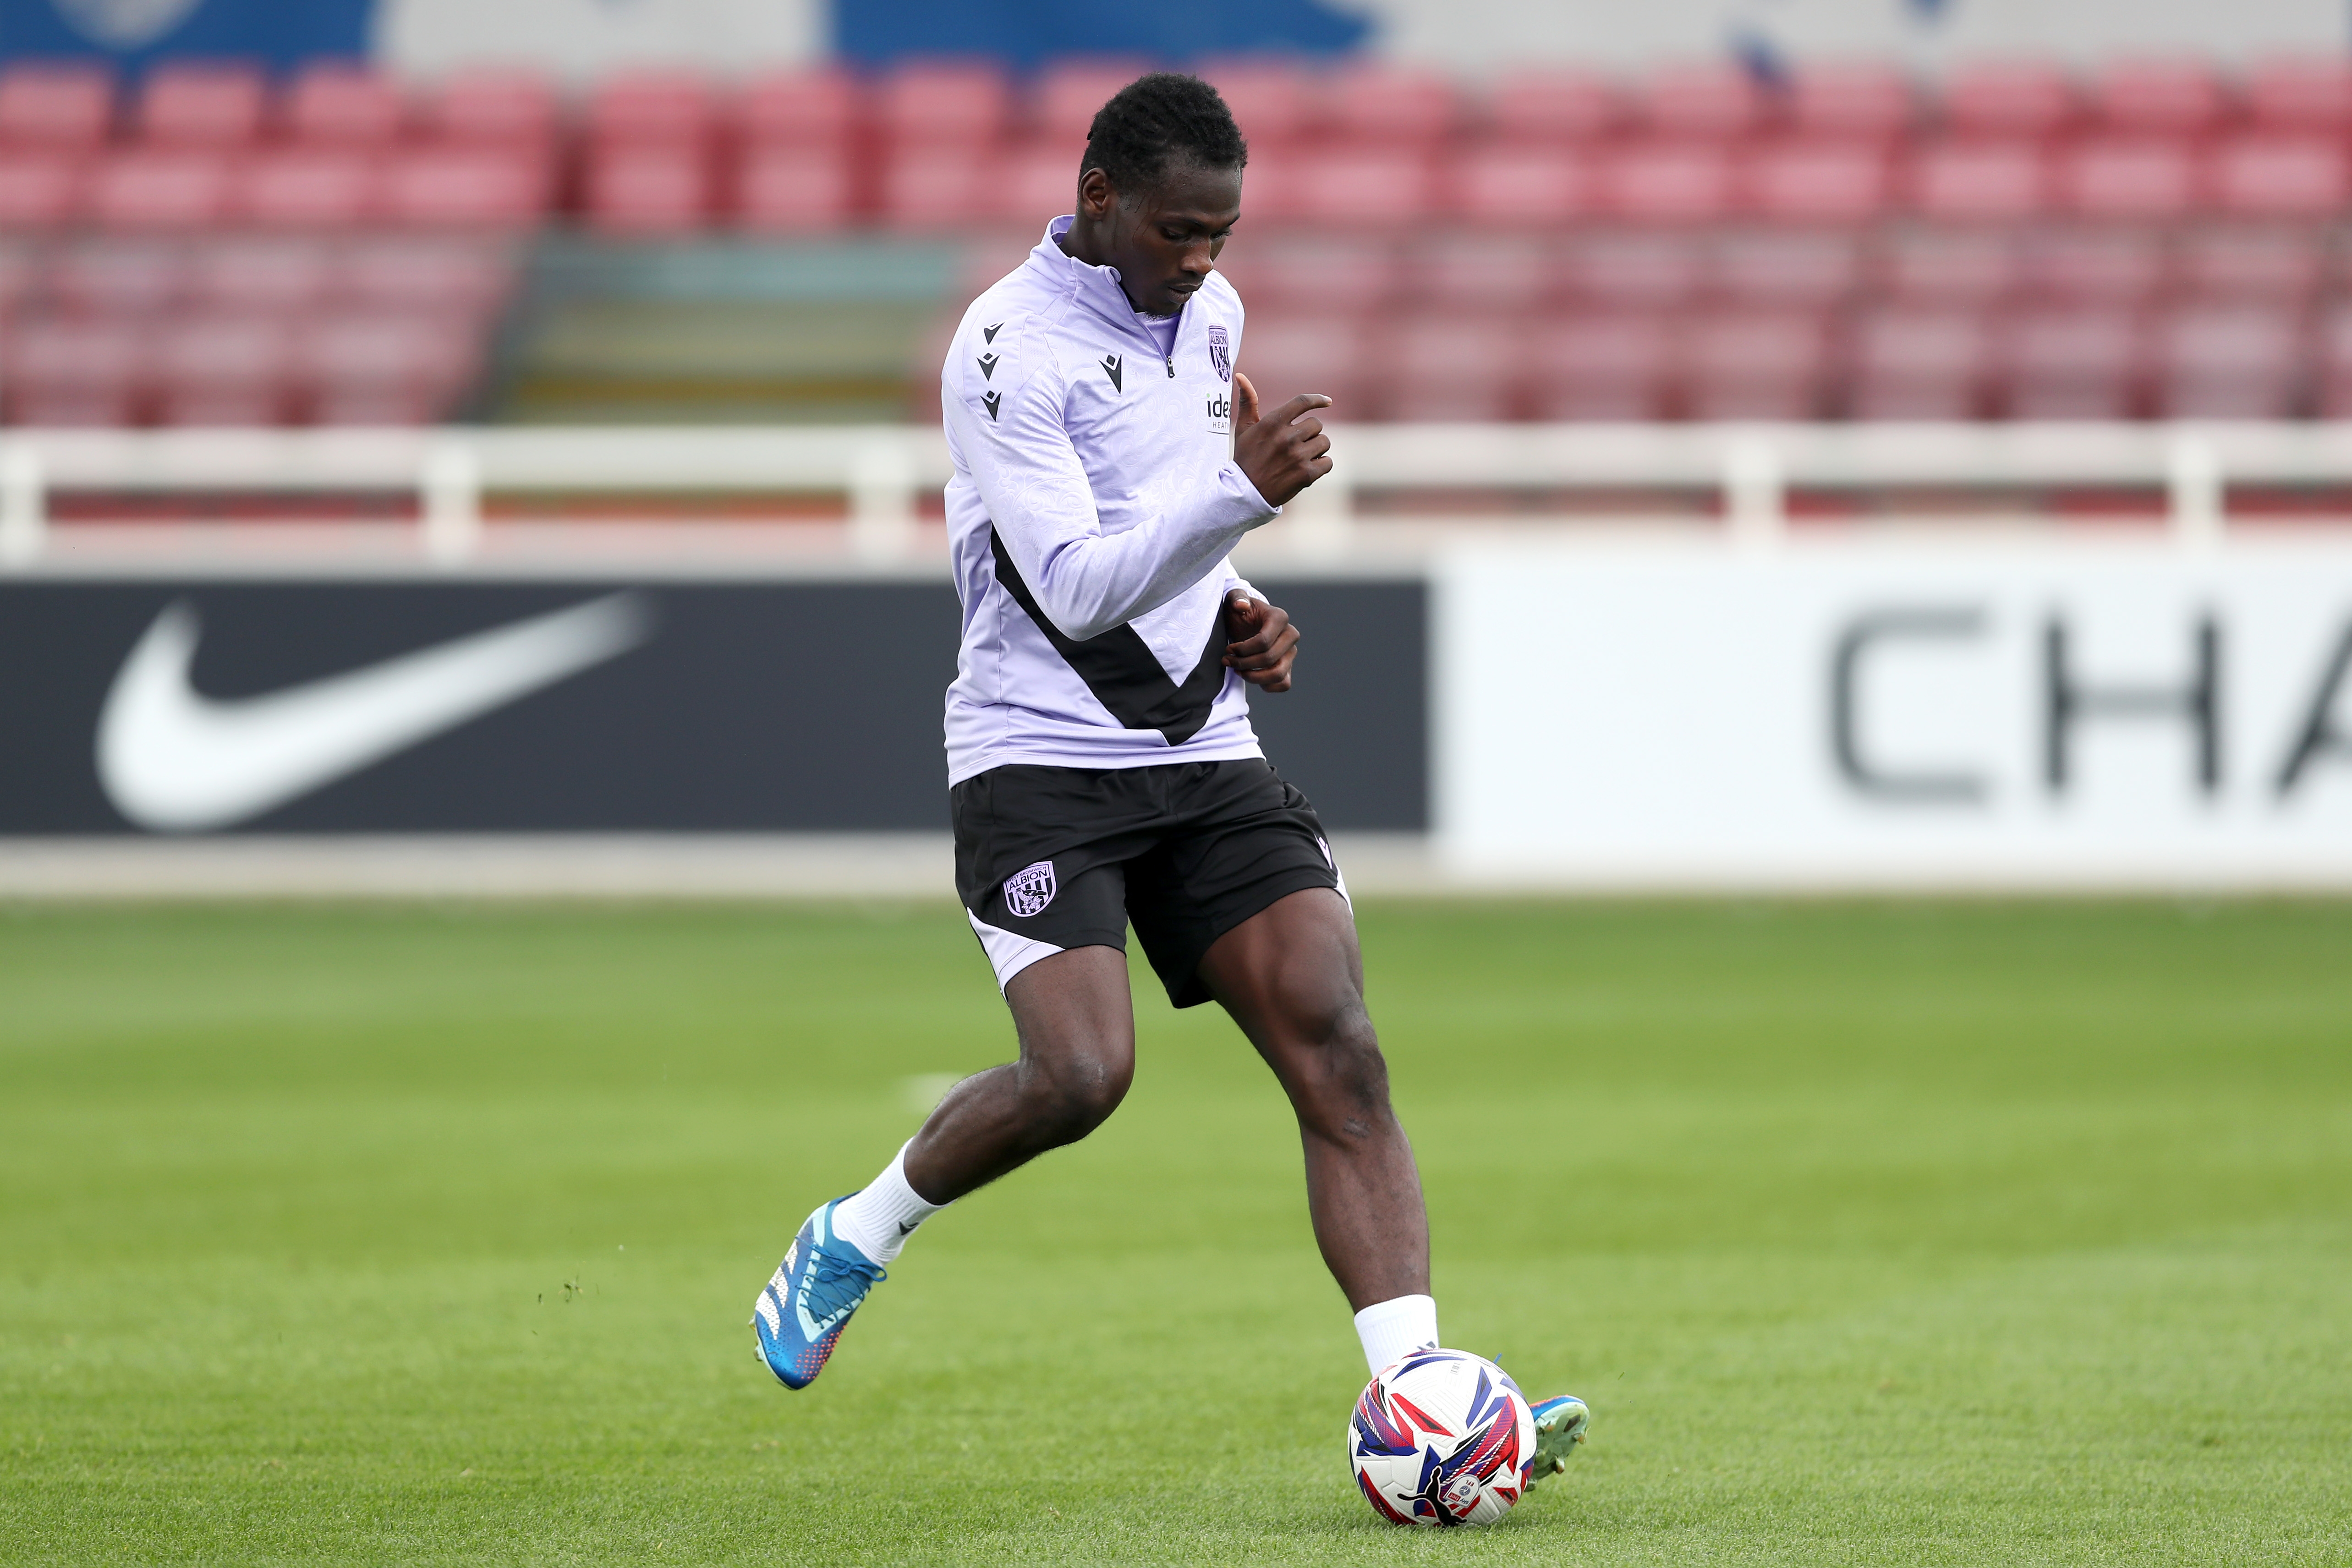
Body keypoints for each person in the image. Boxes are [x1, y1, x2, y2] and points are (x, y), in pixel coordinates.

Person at [750, 71, 1586, 1488]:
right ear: (1099, 203)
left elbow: (1161, 524)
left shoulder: (1210, 317)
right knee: (1082, 1076)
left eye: (1224, 234)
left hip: (1198, 745)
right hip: (1039, 756)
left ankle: (1419, 1393)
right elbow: (1075, 587)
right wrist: (1243, 498)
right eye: (1179, 231)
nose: (1203, 261)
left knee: (1338, 1037)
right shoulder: (1008, 347)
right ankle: (856, 1235)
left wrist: (1238, 597)